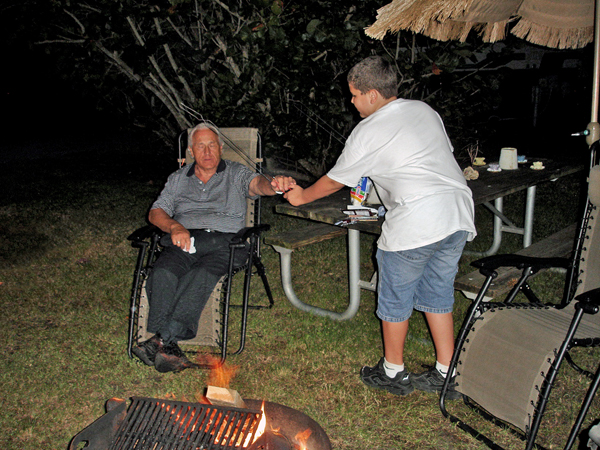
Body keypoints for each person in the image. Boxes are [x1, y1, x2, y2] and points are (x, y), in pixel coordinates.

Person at [284, 56, 476, 397]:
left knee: (394, 299)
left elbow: (331, 182)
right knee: (437, 293)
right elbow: (421, 162)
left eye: (355, 95)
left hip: (417, 222)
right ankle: (446, 374)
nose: (352, 101)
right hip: (457, 214)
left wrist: (301, 197)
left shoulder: (368, 130)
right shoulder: (423, 111)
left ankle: (392, 372)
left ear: (372, 94)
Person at [132, 123, 295, 373]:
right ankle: (168, 346)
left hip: (226, 244)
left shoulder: (236, 172)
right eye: (201, 146)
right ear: (190, 151)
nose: (207, 151)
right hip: (184, 241)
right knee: (163, 272)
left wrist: (273, 185)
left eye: (212, 145)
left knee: (201, 275)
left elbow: (257, 185)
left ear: (220, 148)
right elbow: (156, 212)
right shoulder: (177, 179)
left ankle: (159, 341)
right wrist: (175, 226)